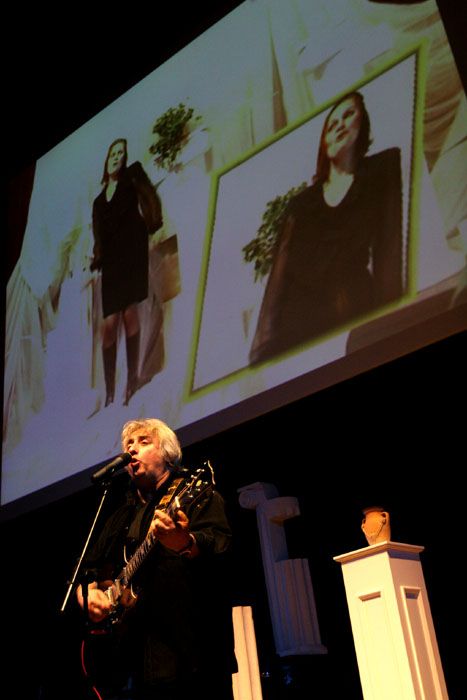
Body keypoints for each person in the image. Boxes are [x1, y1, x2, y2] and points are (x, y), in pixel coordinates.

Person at [76, 418, 237, 700]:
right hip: (132, 666)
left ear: (167, 453)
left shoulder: (193, 492)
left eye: (143, 441)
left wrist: (186, 543)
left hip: (192, 658)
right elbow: (86, 571)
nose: (132, 450)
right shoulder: (119, 515)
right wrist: (89, 595)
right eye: (128, 445)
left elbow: (223, 546)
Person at [249, 91, 404, 364]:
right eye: (332, 125)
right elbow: (278, 283)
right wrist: (263, 353)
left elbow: (388, 251)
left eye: (349, 115)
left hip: (352, 319)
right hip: (297, 331)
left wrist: (391, 322)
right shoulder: (301, 205)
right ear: (324, 142)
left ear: (362, 123)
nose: (340, 125)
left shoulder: (381, 171)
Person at [91, 139, 163, 406]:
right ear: (107, 158)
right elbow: (98, 234)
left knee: (130, 312)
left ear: (124, 158)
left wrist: (153, 223)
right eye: (113, 153)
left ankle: (132, 380)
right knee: (109, 324)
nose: (117, 157)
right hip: (111, 261)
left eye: (121, 153)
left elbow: (149, 196)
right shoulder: (98, 201)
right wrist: (97, 258)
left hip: (132, 249)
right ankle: (110, 391)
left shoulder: (132, 176)